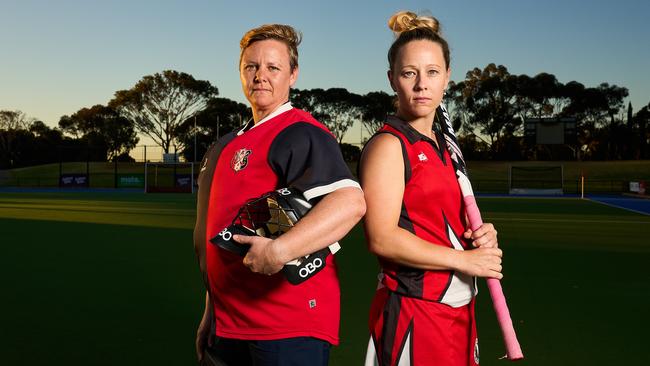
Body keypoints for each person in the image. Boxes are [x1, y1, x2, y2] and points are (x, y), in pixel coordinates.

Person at [193, 24, 365, 366]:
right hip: (229, 322)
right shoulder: (225, 144)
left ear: (293, 74)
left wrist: (279, 250)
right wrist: (211, 310)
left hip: (286, 325)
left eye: (273, 67)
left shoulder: (300, 132)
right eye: (251, 66)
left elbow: (350, 202)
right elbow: (218, 236)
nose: (260, 76)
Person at [360, 11, 503, 366]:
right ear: (392, 79)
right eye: (410, 73)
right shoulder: (389, 146)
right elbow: (382, 238)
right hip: (414, 311)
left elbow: (444, 224)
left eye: (432, 72)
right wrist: (464, 259)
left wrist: (479, 238)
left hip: (459, 310)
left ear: (447, 78)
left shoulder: (444, 145)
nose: (422, 84)